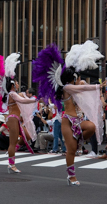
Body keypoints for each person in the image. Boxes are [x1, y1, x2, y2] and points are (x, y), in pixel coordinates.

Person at [32, 42, 102, 185]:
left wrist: (82, 84)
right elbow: (84, 89)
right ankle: (71, 176)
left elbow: (82, 91)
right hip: (67, 121)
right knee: (71, 150)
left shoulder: (74, 86)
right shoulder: (68, 88)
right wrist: (99, 86)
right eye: (76, 77)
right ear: (71, 78)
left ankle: (79, 143)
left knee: (91, 127)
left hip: (78, 120)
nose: (78, 79)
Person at [0, 53, 37, 173]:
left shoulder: (13, 94)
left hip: (15, 119)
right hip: (13, 118)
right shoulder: (12, 94)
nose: (18, 84)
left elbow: (22, 97)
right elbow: (22, 100)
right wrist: (34, 99)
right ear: (13, 85)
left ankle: (11, 152)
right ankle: (11, 164)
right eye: (17, 83)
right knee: (12, 142)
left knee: (27, 137)